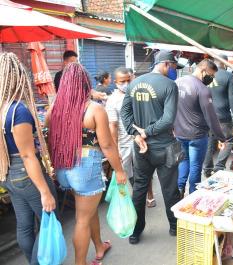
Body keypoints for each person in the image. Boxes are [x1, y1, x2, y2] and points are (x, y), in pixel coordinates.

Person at [48, 63, 127, 265]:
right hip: (85, 168)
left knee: (87, 211)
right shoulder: (94, 109)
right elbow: (108, 145)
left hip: (64, 168)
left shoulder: (54, 109)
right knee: (82, 219)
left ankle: (99, 246)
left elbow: (51, 141)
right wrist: (119, 170)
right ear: (85, 84)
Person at [0, 53, 57, 265]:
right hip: (25, 174)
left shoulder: (2, 109)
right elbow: (27, 155)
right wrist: (45, 192)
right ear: (18, 77)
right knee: (48, 222)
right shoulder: (18, 111)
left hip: (7, 174)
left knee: (24, 225)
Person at [121, 50, 181, 244]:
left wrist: (137, 134)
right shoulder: (170, 85)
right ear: (165, 64)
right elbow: (168, 119)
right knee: (170, 189)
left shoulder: (134, 83)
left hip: (142, 147)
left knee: (139, 189)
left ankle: (135, 232)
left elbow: (125, 114)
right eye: (173, 67)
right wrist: (146, 132)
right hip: (163, 147)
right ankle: (174, 227)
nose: (174, 71)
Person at [106, 67, 156, 208]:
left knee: (145, 171)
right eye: (123, 81)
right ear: (116, 82)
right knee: (124, 174)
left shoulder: (139, 94)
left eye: (129, 80)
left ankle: (150, 195)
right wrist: (115, 149)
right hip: (124, 143)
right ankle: (129, 201)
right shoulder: (113, 100)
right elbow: (113, 126)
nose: (127, 84)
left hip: (142, 139)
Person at [174, 59, 226, 195]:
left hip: (179, 133)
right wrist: (221, 137)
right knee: (196, 166)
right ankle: (193, 194)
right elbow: (211, 117)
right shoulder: (202, 89)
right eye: (212, 75)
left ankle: (179, 189)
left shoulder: (177, 83)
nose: (212, 78)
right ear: (204, 70)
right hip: (197, 135)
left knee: (183, 161)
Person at [203, 55, 233, 177]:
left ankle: (207, 169)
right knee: (228, 141)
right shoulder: (228, 76)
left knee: (210, 142)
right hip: (222, 116)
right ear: (225, 63)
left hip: (206, 115)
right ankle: (219, 167)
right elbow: (232, 99)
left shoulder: (206, 74)